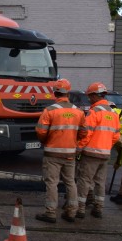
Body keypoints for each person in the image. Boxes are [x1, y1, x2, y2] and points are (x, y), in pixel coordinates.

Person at [34, 79, 87, 223]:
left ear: (55, 92)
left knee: (52, 183)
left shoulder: (50, 111)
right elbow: (84, 133)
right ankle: (71, 212)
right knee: (70, 182)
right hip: (70, 153)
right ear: (68, 93)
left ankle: (51, 213)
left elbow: (40, 131)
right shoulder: (78, 111)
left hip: (52, 153)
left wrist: (45, 141)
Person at [75, 82, 121, 219]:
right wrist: (106, 147)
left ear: (95, 96)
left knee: (84, 181)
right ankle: (98, 208)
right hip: (105, 153)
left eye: (90, 96)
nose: (89, 99)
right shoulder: (113, 113)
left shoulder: (94, 112)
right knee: (100, 182)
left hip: (91, 153)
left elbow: (86, 133)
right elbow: (116, 136)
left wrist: (79, 148)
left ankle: (81, 209)